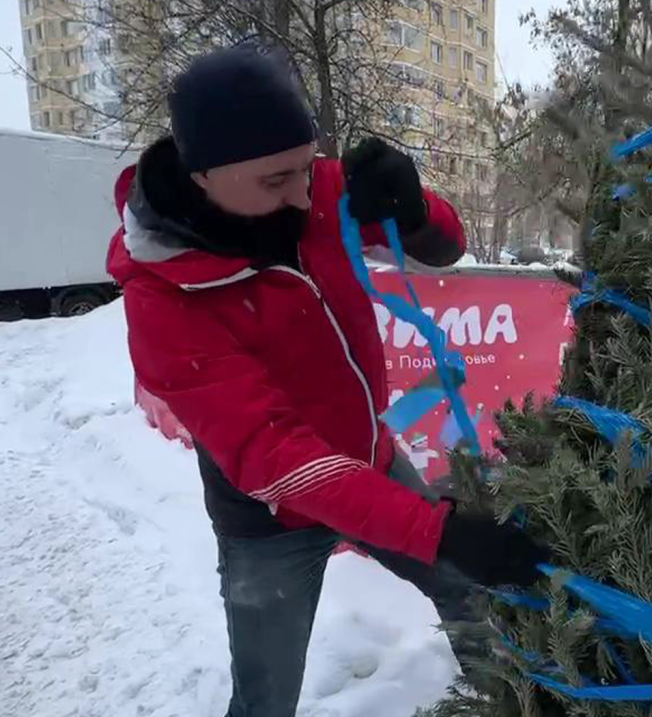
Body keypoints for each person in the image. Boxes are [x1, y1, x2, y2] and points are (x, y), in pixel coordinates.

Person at [106, 45, 547, 717]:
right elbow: (276, 458)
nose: (306, 192)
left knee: (465, 592)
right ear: (201, 178)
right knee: (267, 695)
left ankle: (509, 703)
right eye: (277, 180)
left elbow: (446, 246)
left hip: (370, 463)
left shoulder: (311, 188)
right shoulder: (163, 299)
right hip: (268, 521)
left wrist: (413, 206)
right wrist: (438, 530)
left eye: (309, 166)